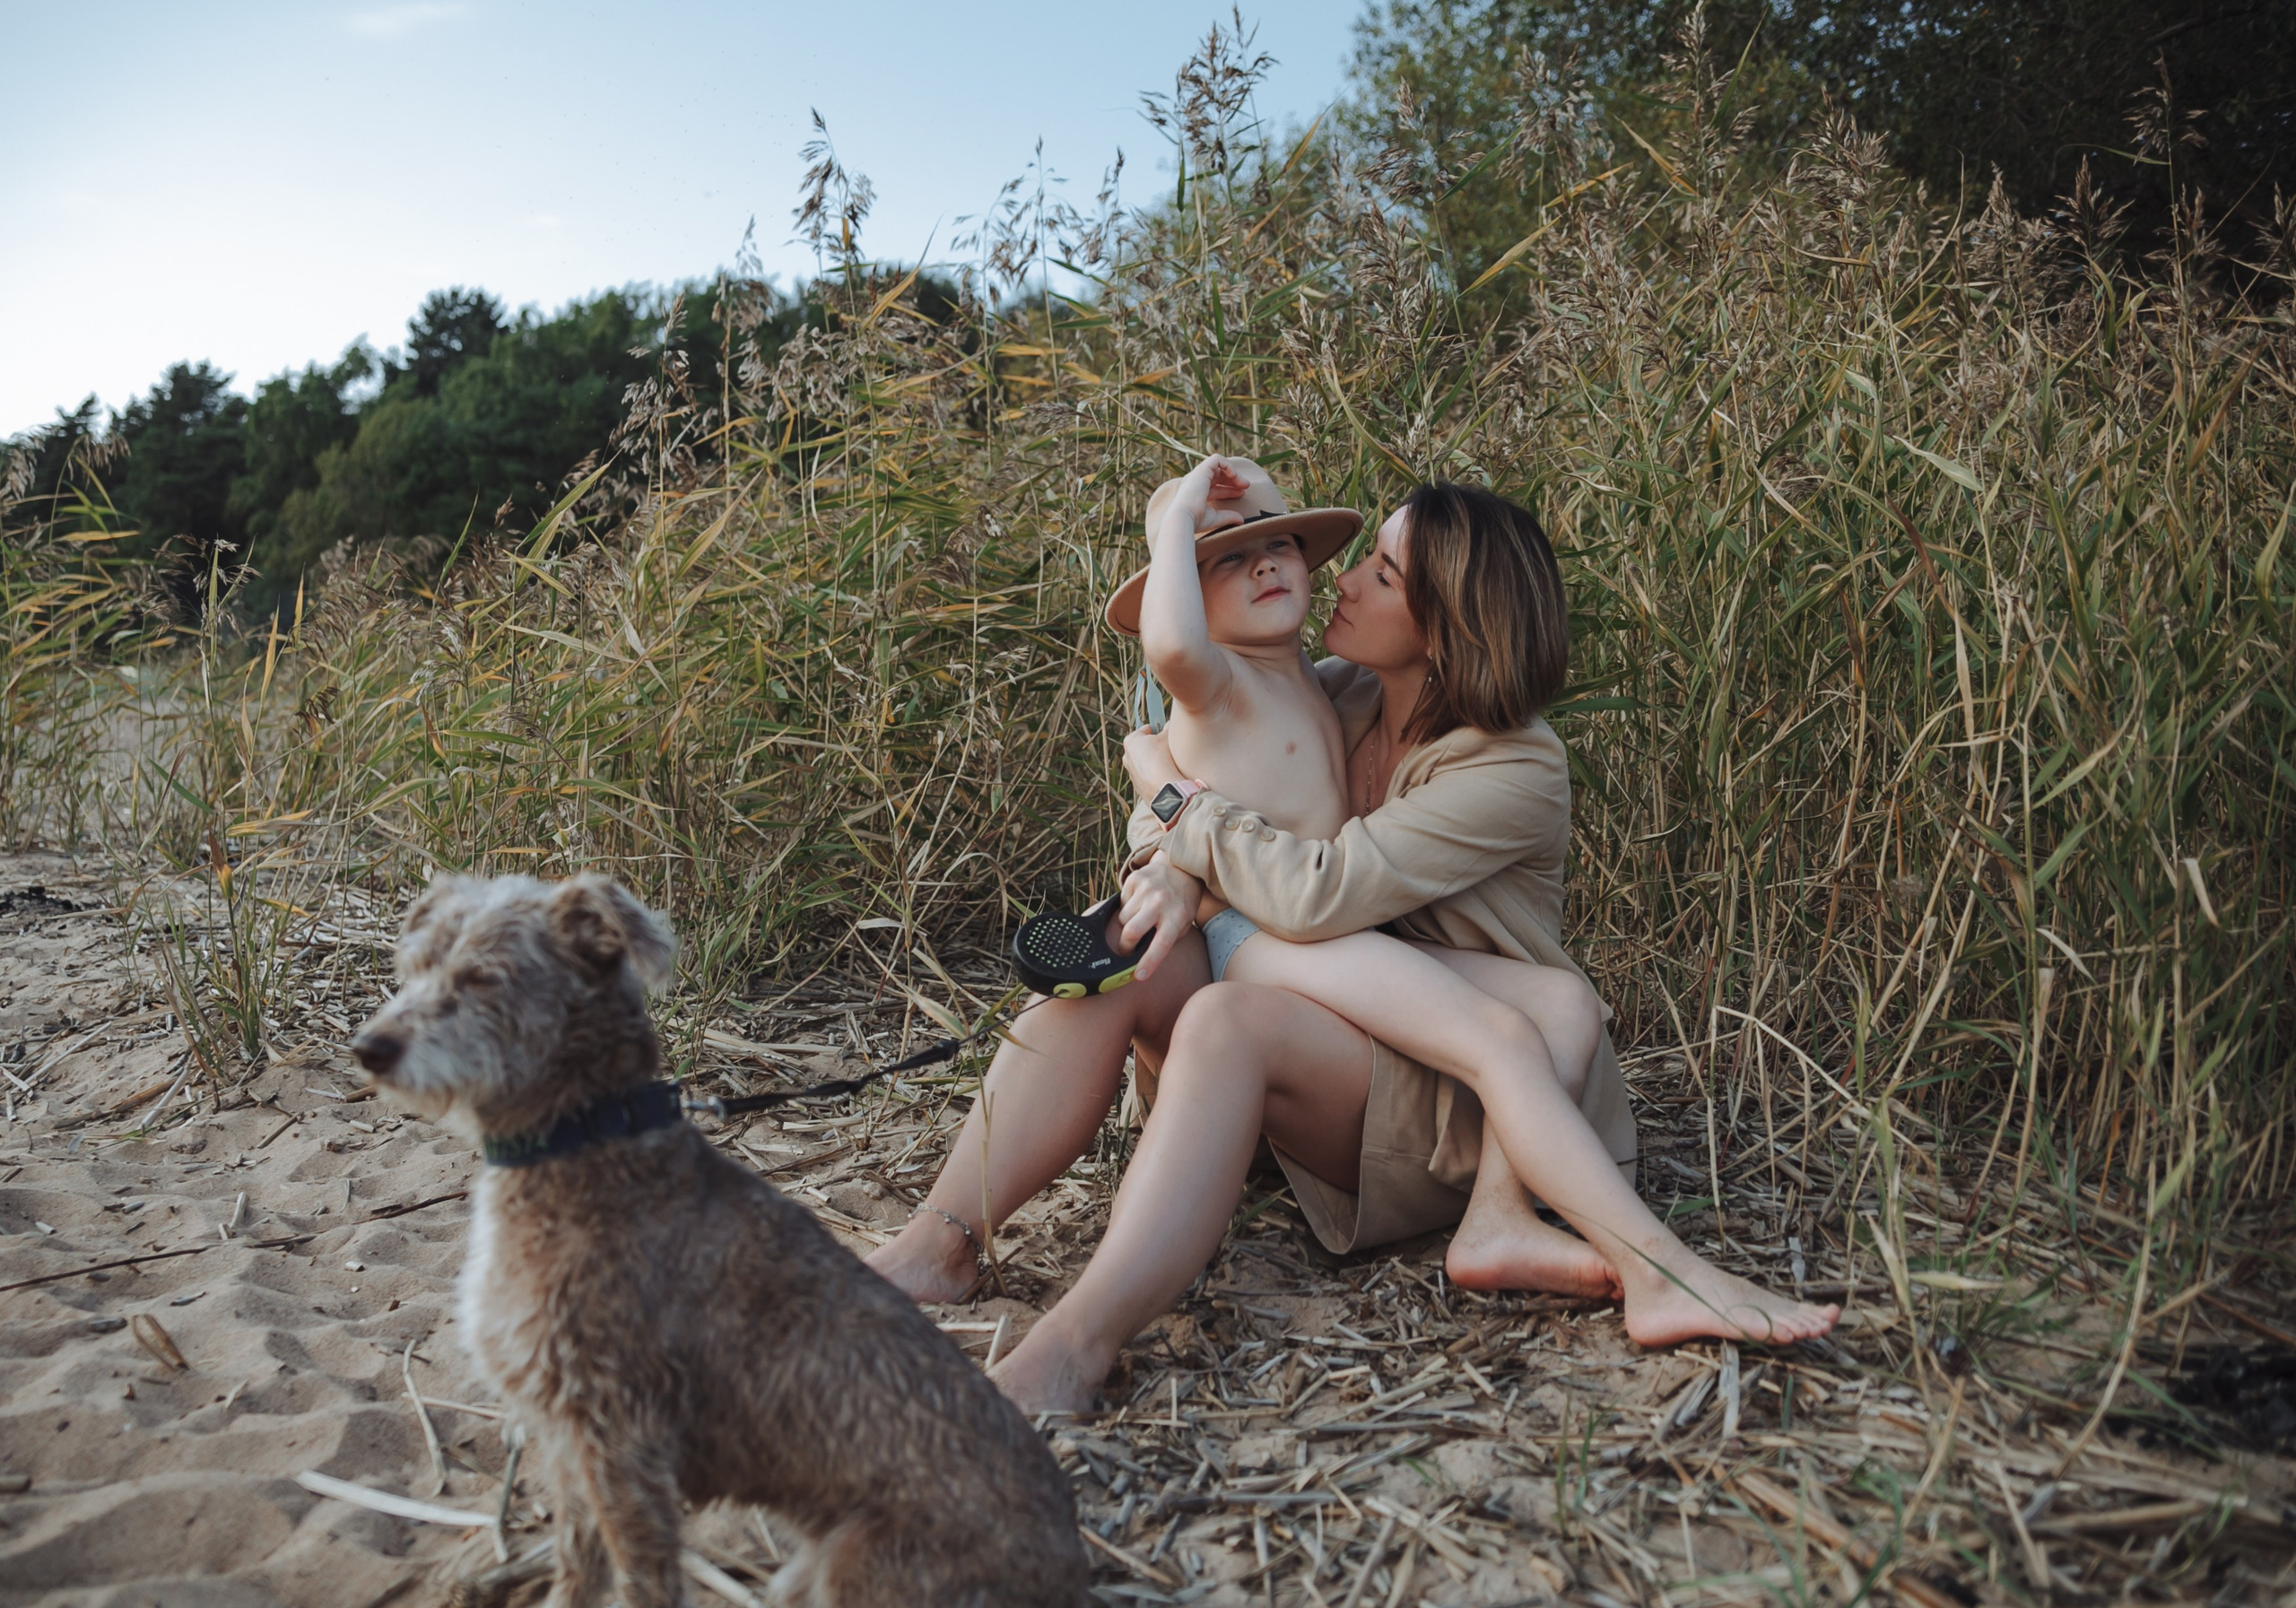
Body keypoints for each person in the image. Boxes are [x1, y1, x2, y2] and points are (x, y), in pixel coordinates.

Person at [868, 472, 1836, 1414]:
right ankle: (938, 1243)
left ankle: (1073, 1343)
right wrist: (1161, 865)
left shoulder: (1514, 766)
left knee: (1228, 1018)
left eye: (1379, 570)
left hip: (1443, 1090)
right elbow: (1219, 785)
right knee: (1120, 950)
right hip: (1349, 1014)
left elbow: (1312, 887)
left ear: (1447, 625)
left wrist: (1167, 795)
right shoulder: (1345, 692)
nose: (1342, 579)